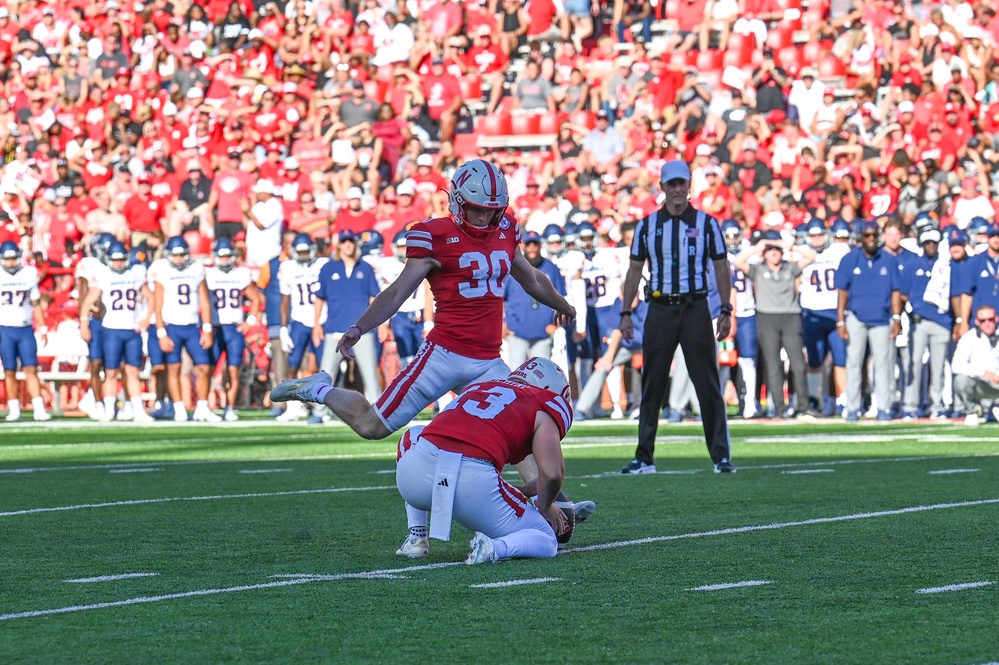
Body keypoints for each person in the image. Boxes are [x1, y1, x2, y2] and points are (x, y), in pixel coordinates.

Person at [270, 159, 580, 558]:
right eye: (477, 208)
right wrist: (359, 327)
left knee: (521, 438)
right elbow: (398, 293)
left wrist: (564, 305)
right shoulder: (433, 236)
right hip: (443, 354)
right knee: (371, 426)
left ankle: (546, 514)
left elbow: (532, 278)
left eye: (492, 209)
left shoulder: (506, 229)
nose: (485, 217)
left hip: (488, 361)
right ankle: (321, 390)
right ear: (456, 201)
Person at [394, 357, 573, 564]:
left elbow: (448, 440)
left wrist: (523, 490)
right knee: (546, 539)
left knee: (414, 434)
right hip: (472, 484)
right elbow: (552, 474)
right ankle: (494, 548)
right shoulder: (543, 401)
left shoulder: (479, 387)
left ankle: (417, 536)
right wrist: (544, 505)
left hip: (414, 476)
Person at [618, 160, 734, 474]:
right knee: (652, 382)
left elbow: (722, 266)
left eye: (682, 183)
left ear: (689, 186)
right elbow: (634, 270)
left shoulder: (708, 224)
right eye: (672, 184)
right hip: (659, 308)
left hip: (696, 307)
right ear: (663, 188)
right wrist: (626, 311)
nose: (678, 189)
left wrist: (725, 309)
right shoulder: (646, 225)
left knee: (707, 382)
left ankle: (721, 455)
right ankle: (644, 456)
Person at [732, 230, 817, 418]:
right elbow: (738, 262)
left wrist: (789, 245)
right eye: (770, 250)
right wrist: (758, 247)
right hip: (767, 317)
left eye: (776, 249)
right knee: (773, 365)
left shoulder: (790, 268)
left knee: (798, 363)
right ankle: (779, 408)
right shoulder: (758, 270)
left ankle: (803, 406)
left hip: (790, 317)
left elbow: (811, 256)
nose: (774, 253)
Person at [310, 229, 384, 424]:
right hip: (334, 326)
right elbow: (319, 299)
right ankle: (319, 412)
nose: (348, 244)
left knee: (370, 373)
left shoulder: (365, 267)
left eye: (351, 241)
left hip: (361, 329)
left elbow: (374, 298)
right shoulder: (328, 268)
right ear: (339, 245)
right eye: (345, 241)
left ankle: (378, 413)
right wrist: (316, 324)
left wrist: (380, 323)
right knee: (326, 373)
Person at [835, 221, 903, 422]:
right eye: (867, 235)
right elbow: (842, 292)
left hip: (882, 319)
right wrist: (840, 320)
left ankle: (883, 407)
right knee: (854, 362)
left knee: (883, 364)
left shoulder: (889, 260)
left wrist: (897, 318)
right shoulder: (850, 259)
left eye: (874, 235)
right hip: (856, 317)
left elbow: (896, 292)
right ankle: (853, 408)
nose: (871, 239)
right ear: (860, 238)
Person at [78, 241, 154, 422]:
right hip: (111, 330)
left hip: (131, 330)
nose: (119, 263)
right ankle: (110, 409)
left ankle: (138, 410)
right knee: (111, 372)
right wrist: (83, 324)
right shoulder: (104, 275)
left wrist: (146, 319)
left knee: (132, 371)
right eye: (115, 260)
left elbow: (151, 297)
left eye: (121, 260)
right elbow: (88, 302)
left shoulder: (135, 273)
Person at [151, 236, 219, 422]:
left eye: (182, 255)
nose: (179, 259)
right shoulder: (162, 270)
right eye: (176, 255)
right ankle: (179, 408)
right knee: (173, 368)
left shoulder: (196, 268)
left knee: (204, 367)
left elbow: (205, 300)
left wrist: (206, 328)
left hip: (192, 326)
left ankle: (202, 408)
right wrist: (161, 332)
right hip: (172, 325)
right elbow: (157, 306)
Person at [205, 238, 263, 422]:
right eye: (221, 256)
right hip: (215, 327)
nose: (224, 260)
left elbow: (256, 299)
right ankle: (205, 406)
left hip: (234, 327)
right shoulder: (209, 274)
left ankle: (229, 407)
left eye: (227, 256)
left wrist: (250, 320)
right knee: (208, 368)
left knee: (233, 369)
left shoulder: (241, 273)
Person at [899, 227, 953, 420]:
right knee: (913, 365)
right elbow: (902, 291)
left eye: (934, 243)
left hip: (941, 322)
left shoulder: (947, 265)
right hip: (919, 322)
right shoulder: (913, 264)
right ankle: (910, 405)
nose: (931, 246)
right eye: (927, 243)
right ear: (922, 244)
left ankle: (937, 405)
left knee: (938, 367)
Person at [276, 233, 329, 422]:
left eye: (307, 251)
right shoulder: (287, 267)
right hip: (298, 321)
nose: (304, 255)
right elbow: (285, 300)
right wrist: (284, 328)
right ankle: (293, 405)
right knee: (293, 364)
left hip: (322, 320)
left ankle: (325, 407)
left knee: (326, 366)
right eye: (301, 252)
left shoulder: (323, 265)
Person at [0, 241, 51, 422]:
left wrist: (43, 326)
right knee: (9, 371)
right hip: (4, 329)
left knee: (31, 368)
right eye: (7, 259)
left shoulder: (28, 273)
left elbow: (35, 303)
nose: (11, 262)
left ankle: (39, 408)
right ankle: (14, 408)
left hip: (25, 328)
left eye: (14, 258)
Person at [504, 231, 566, 369]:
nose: (532, 247)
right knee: (516, 375)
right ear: (523, 246)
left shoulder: (552, 269)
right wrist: (502, 325)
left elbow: (561, 299)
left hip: (544, 332)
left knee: (541, 374)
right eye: (528, 244)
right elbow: (500, 298)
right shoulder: (513, 268)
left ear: (540, 246)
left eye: (535, 244)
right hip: (517, 331)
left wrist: (556, 324)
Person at [75, 233, 114, 421]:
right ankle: (97, 402)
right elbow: (83, 288)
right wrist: (84, 318)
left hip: (113, 319)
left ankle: (93, 398)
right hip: (95, 319)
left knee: (111, 364)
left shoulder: (116, 263)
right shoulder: (89, 264)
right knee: (97, 362)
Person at [951, 304, 999, 426]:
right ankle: (972, 411)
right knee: (961, 380)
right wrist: (984, 372)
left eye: (991, 319)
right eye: (983, 321)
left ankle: (995, 407)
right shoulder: (969, 337)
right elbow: (956, 365)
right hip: (980, 383)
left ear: (996, 319)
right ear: (977, 322)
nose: (987, 323)